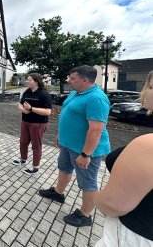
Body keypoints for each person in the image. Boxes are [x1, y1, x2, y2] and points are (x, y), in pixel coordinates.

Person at [38, 65, 111, 227]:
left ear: (85, 79)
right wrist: (61, 135)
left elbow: (96, 130)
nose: (68, 81)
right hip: (68, 144)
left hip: (84, 150)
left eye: (72, 78)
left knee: (88, 182)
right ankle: (58, 193)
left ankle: (85, 215)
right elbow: (69, 115)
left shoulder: (96, 99)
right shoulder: (75, 93)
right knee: (64, 168)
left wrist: (86, 154)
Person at [94, 71, 153, 246]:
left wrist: (96, 199)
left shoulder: (146, 146)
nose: (146, 91)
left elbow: (112, 204)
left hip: (134, 235)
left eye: (151, 87)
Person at [13, 73, 52, 174]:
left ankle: (35, 166)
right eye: (27, 80)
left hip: (38, 124)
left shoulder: (44, 94)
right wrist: (22, 108)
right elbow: (21, 104)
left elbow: (48, 112)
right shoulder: (27, 92)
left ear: (36, 81)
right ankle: (23, 159)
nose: (27, 81)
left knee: (36, 145)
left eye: (29, 80)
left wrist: (31, 109)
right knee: (23, 142)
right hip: (25, 121)